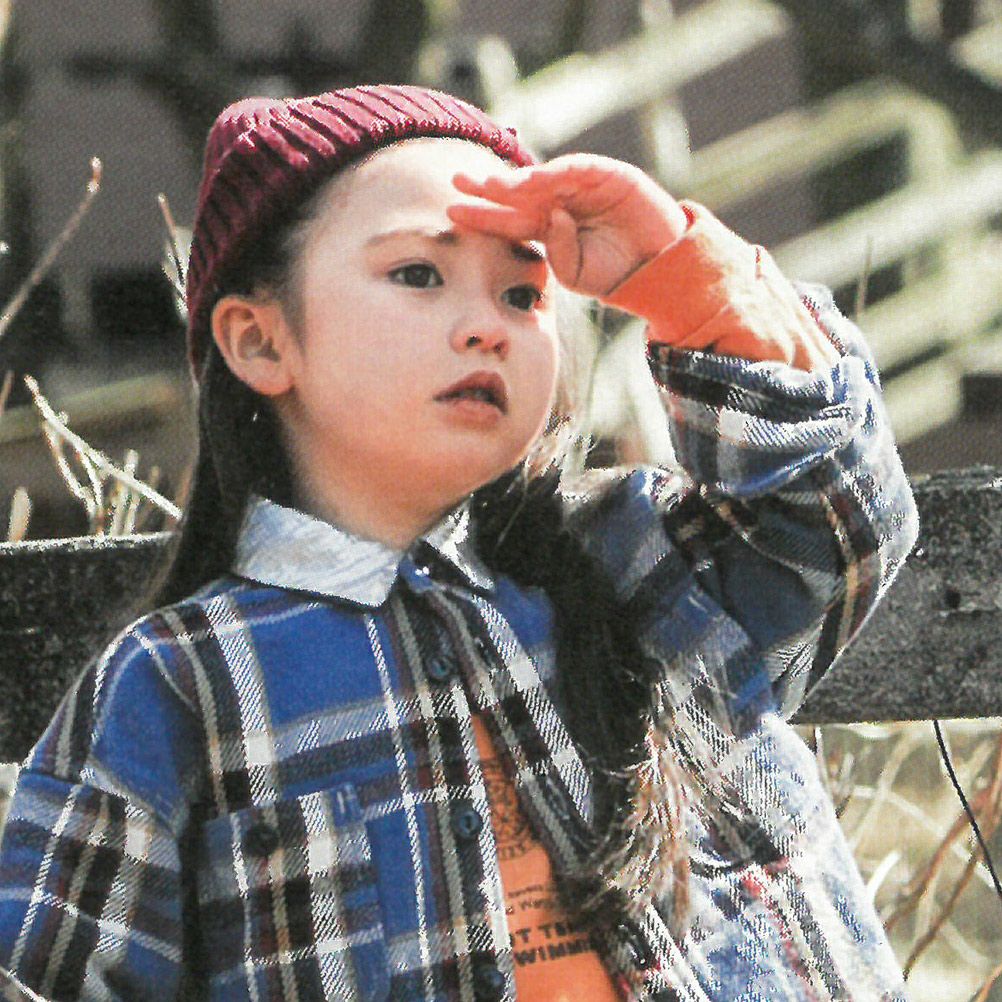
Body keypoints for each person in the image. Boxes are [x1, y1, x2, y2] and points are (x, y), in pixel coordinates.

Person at [0, 84, 917, 1001]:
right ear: (261, 341)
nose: (487, 326)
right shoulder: (183, 681)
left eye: (522, 293)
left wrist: (678, 273)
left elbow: (841, 518)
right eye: (417, 274)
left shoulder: (637, 561)